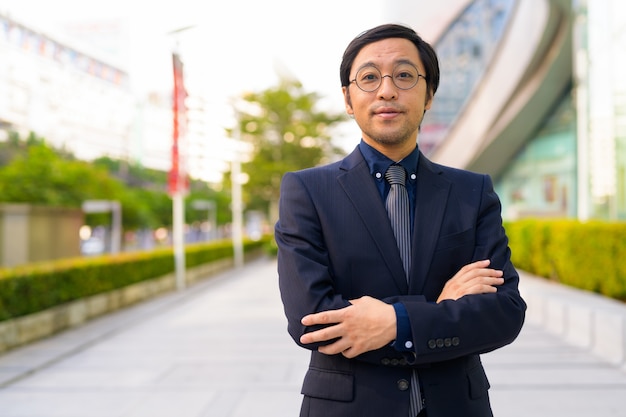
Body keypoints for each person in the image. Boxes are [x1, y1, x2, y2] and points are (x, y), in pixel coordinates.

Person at [275, 23, 526, 417]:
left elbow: (505, 312)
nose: (387, 90)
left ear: (429, 96)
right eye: (369, 77)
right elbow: (312, 320)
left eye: (405, 75)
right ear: (347, 97)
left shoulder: (471, 192)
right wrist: (436, 310)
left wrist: (393, 321)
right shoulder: (306, 192)